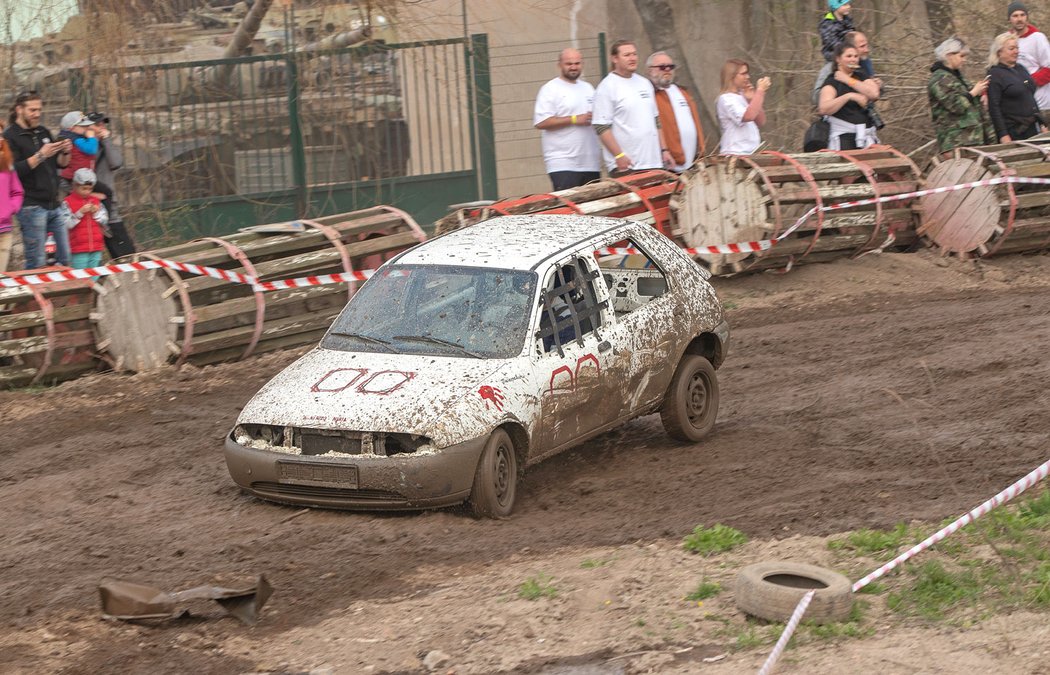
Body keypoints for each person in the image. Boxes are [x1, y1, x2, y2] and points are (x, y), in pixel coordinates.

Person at [3, 92, 73, 268]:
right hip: (31, 206)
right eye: (32, 110)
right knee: (37, 262)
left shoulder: (43, 131)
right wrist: (41, 155)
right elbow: (13, 171)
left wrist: (65, 151)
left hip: (54, 203)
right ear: (19, 109)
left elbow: (61, 165)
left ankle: (65, 294)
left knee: (65, 259)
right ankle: (36, 296)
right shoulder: (10, 136)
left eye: (39, 109)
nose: (37, 114)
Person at [592, 39, 672, 175]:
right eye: (627, 55)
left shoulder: (645, 83)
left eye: (634, 54)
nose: (632, 58)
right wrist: (619, 156)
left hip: (653, 162)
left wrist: (664, 150)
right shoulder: (607, 87)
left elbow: (655, 120)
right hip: (627, 165)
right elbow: (601, 126)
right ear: (614, 59)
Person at [533, 48, 601, 190]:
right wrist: (575, 119)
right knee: (569, 209)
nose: (573, 67)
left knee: (592, 208)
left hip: (590, 162)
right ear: (559, 65)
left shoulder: (588, 88)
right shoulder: (550, 89)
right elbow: (541, 122)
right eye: (568, 64)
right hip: (563, 163)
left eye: (577, 63)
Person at [928, 36, 995, 153]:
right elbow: (956, 106)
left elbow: (970, 102)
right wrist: (974, 92)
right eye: (961, 56)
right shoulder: (939, 79)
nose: (964, 60)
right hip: (956, 143)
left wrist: (980, 95)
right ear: (949, 55)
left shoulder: (957, 76)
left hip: (972, 140)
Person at [647, 51, 705, 172]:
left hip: (693, 163)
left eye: (671, 67)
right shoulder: (649, 94)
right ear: (650, 70)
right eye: (662, 67)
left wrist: (701, 149)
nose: (667, 69)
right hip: (667, 165)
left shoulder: (683, 92)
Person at [818, 42, 881, 150]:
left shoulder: (861, 75)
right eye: (849, 56)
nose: (853, 59)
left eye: (856, 56)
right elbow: (824, 108)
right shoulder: (832, 81)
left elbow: (874, 94)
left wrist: (848, 80)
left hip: (867, 137)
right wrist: (849, 96)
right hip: (844, 138)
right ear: (838, 59)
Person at [90, 112, 136, 258]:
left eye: (103, 124)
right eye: (97, 124)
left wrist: (106, 140)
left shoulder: (106, 145)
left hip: (109, 207)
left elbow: (116, 162)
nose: (101, 127)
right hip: (87, 206)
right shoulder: (81, 147)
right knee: (90, 254)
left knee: (125, 253)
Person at [987, 31, 1043, 142]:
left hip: (1033, 127)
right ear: (999, 52)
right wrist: (1003, 134)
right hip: (1014, 131)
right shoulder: (994, 74)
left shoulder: (1021, 69)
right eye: (1011, 49)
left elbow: (1030, 97)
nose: (1016, 51)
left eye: (1017, 48)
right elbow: (994, 107)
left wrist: (1042, 123)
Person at [716, 59, 771, 155]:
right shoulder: (726, 99)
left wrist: (752, 99)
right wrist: (760, 91)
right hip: (734, 153)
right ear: (731, 76)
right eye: (743, 74)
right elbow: (748, 116)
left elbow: (760, 121)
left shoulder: (742, 95)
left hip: (750, 153)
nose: (748, 77)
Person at [1008, 2, 1050, 121]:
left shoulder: (1038, 38)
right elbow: (995, 68)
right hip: (1017, 107)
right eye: (1015, 16)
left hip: (1042, 105)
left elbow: (1048, 69)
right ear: (1009, 19)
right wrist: (986, 92)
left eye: (1022, 15)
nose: (1019, 19)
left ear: (1027, 17)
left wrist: (1026, 83)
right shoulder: (1005, 39)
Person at [62, 168, 109, 270]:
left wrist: (96, 213)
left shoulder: (96, 201)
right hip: (78, 248)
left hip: (96, 245)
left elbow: (104, 220)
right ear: (75, 185)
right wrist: (80, 213)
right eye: (84, 189)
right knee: (80, 276)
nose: (87, 192)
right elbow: (66, 224)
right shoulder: (67, 202)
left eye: (90, 189)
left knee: (95, 274)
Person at [0, 124, 25, 271]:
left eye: (1, 135)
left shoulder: (6, 164)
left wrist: (10, 208)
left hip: (4, 232)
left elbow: (17, 192)